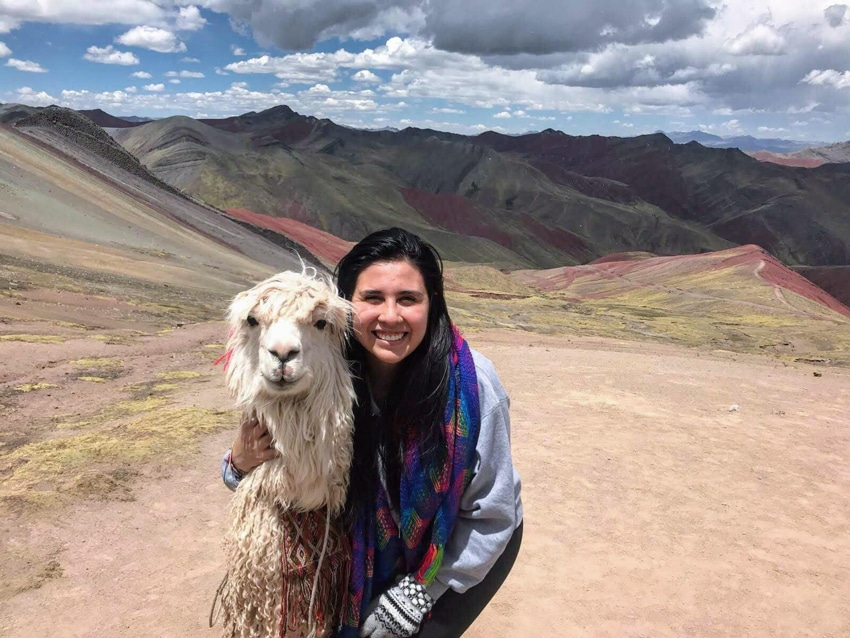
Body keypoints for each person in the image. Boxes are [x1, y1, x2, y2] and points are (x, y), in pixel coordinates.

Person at [222, 227, 523, 638]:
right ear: (347, 305)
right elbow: (285, 461)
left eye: (408, 299)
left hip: (466, 542)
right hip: (371, 546)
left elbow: (493, 513)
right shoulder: (329, 364)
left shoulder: (469, 390)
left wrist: (420, 592)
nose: (390, 316)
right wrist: (238, 465)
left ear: (432, 304)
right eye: (373, 298)